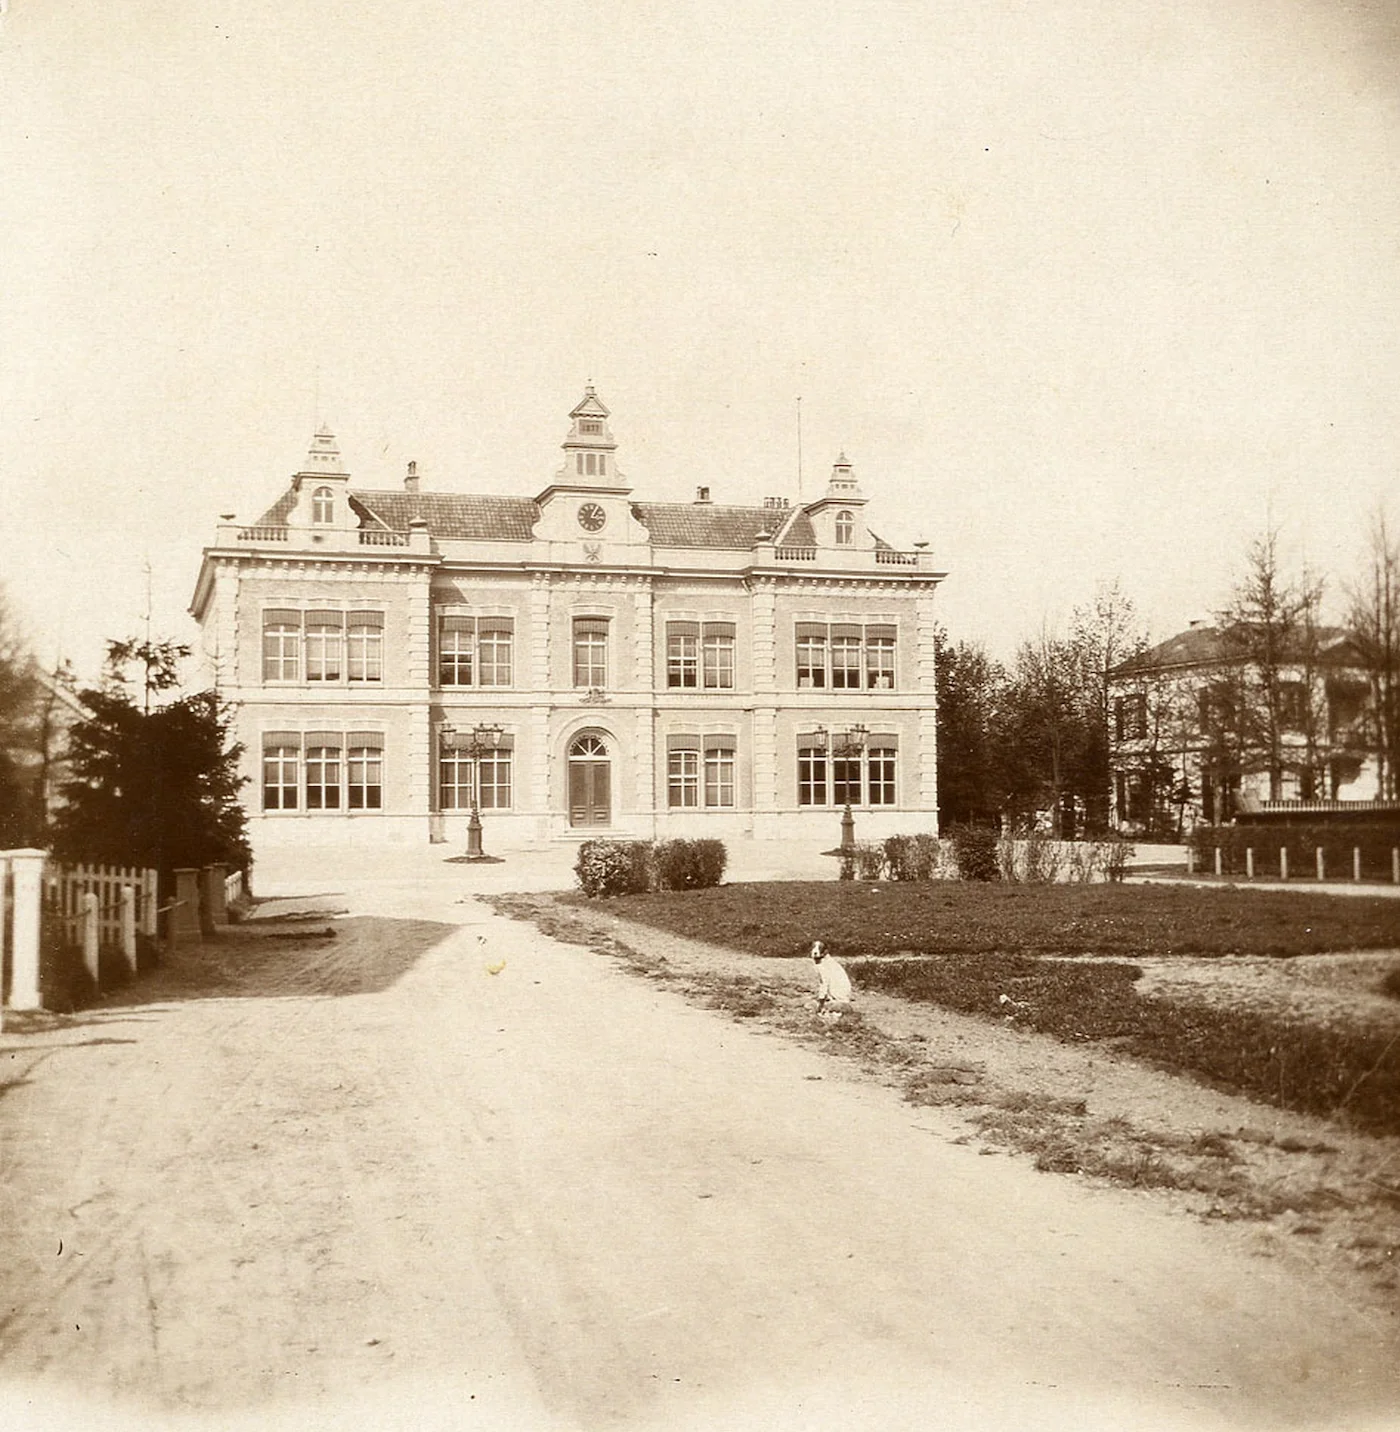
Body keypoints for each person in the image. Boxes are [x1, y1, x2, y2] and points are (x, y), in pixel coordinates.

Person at [810, 940, 853, 1022]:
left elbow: (824, 983)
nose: (815, 951)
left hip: (839, 994)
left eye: (819, 948)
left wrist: (821, 1001)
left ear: (825, 951)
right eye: (813, 947)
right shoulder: (825, 962)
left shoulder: (824, 964)